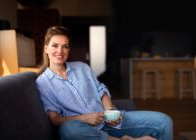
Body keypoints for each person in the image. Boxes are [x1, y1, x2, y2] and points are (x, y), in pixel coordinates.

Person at [36, 26, 173, 140]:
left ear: (68, 50)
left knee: (164, 122)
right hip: (84, 130)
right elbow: (54, 119)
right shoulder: (43, 82)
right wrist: (85, 118)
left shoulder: (82, 67)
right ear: (46, 48)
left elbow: (101, 90)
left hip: (109, 122)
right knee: (68, 130)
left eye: (65, 46)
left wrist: (110, 110)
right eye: (55, 46)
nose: (60, 51)